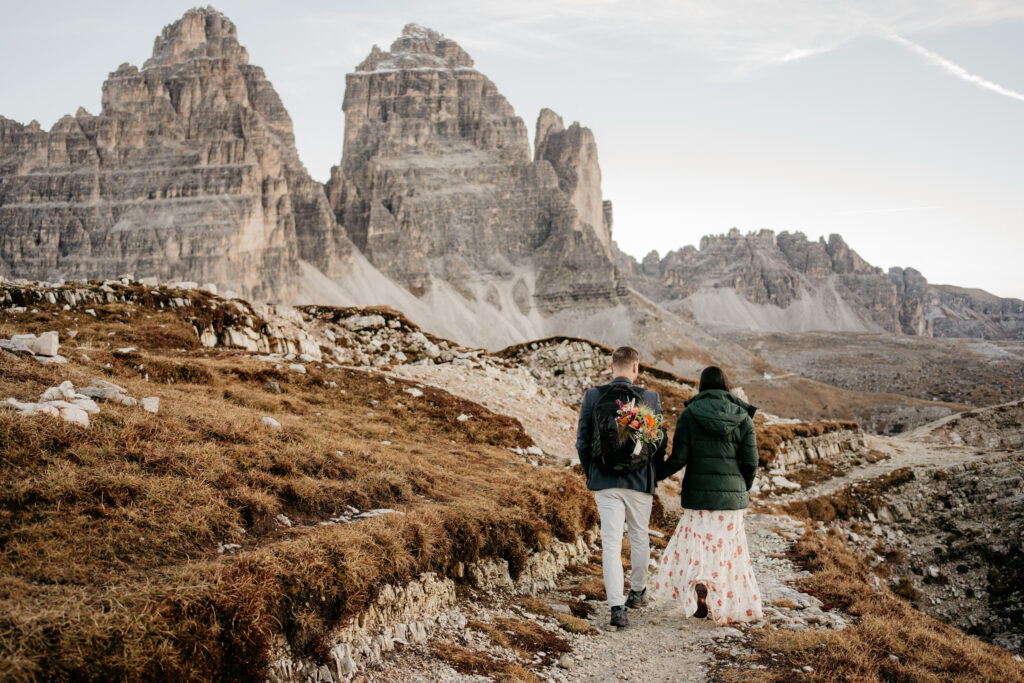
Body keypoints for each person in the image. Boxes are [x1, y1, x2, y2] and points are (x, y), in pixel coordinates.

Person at [653, 366, 763, 625]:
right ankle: (723, 599)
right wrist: (741, 489)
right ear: (727, 386)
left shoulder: (690, 414)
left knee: (700, 548)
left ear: (701, 387)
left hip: (699, 499)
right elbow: (751, 462)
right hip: (732, 499)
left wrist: (653, 474)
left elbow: (678, 459)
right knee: (728, 551)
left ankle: (700, 585)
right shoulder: (744, 417)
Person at [576, 346, 667, 628]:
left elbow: (582, 441)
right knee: (639, 537)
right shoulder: (650, 397)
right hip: (640, 482)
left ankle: (617, 608)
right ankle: (637, 592)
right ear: (636, 369)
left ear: (611, 367)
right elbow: (660, 443)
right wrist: (652, 473)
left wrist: (592, 471)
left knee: (612, 543)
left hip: (605, 482)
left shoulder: (593, 395)